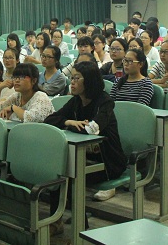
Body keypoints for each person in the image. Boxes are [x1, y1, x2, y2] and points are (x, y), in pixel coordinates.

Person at [45, 60, 126, 207]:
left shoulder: (105, 102)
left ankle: (77, 217)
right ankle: (62, 216)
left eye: (77, 78)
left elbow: (90, 130)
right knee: (56, 172)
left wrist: (72, 126)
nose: (72, 82)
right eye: (71, 78)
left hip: (108, 163)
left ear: (89, 80)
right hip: (83, 159)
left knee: (68, 176)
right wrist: (69, 122)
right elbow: (50, 120)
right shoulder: (76, 101)